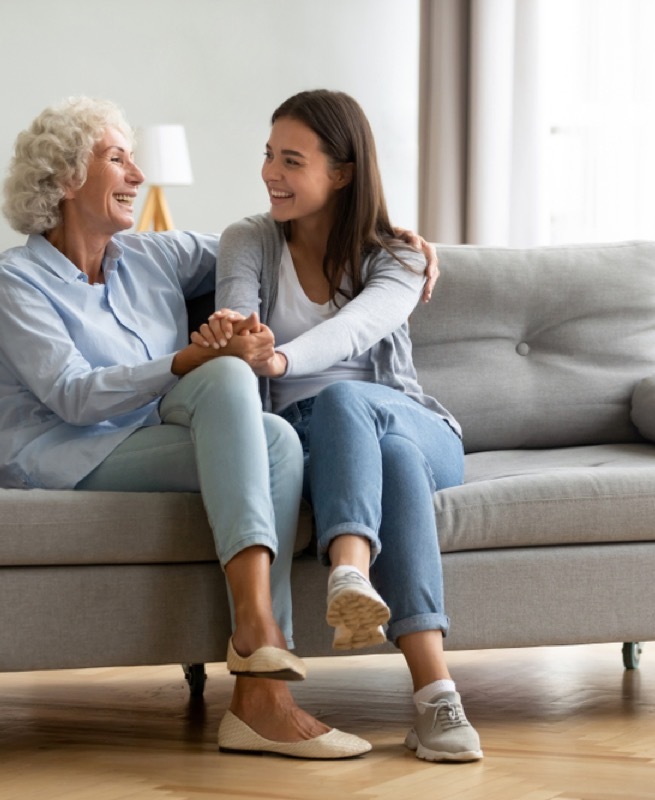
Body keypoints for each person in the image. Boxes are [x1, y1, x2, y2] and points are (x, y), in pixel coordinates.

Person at [0, 96, 372, 759]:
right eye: (117, 159)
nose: (137, 175)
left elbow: (269, 242)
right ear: (67, 178)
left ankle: (256, 681)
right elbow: (72, 397)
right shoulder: (15, 282)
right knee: (218, 375)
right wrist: (188, 359)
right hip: (61, 454)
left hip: (150, 435)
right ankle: (260, 648)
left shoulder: (153, 258)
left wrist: (385, 242)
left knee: (271, 432)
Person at [196, 89, 483, 762]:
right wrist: (240, 337)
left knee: (354, 405)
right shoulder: (248, 240)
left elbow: (357, 333)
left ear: (343, 172)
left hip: (415, 422)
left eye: (292, 160)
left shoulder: (401, 258)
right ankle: (438, 700)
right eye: (268, 156)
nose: (271, 173)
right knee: (391, 462)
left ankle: (350, 569)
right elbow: (239, 319)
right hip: (317, 440)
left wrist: (282, 355)